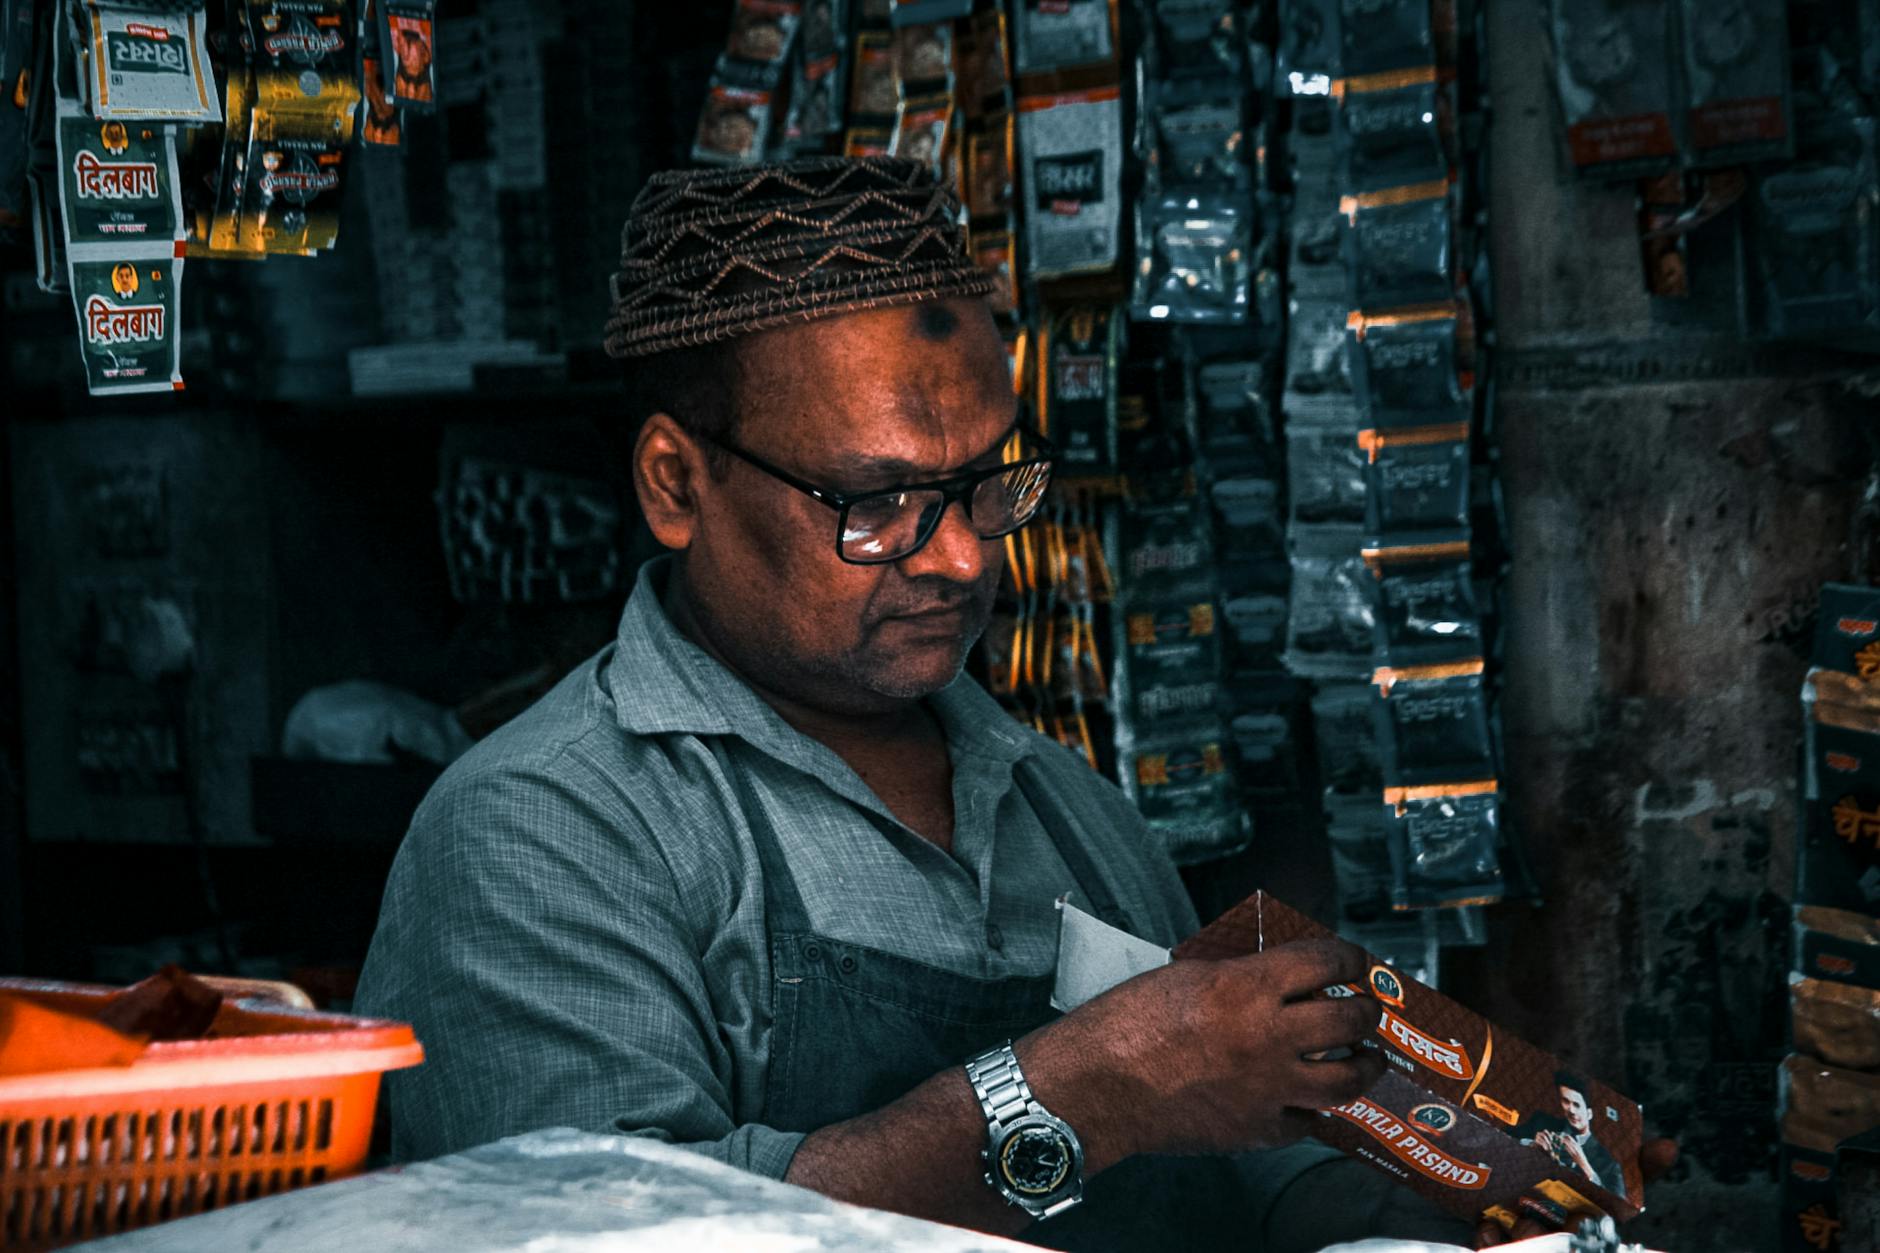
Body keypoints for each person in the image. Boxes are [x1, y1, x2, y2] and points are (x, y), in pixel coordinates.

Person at [353, 157, 1634, 1250]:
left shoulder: (1063, 807)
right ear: (675, 484)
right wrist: (1087, 1087)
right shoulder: (542, 829)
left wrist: (1481, 1183)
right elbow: (611, 1236)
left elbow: (1237, 1167)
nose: (963, 557)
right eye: (876, 503)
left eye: (988, 486)